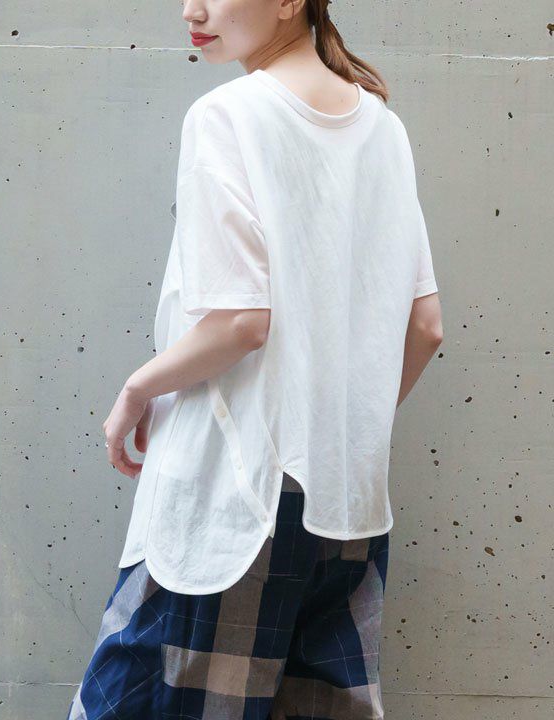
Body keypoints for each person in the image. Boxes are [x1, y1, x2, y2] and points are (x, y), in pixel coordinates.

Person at [66, 0, 443, 717]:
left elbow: (240, 322)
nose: (192, 9)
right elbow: (425, 327)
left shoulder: (227, 115)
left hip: (233, 496)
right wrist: (336, 432)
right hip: (345, 503)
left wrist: (137, 388)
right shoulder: (382, 128)